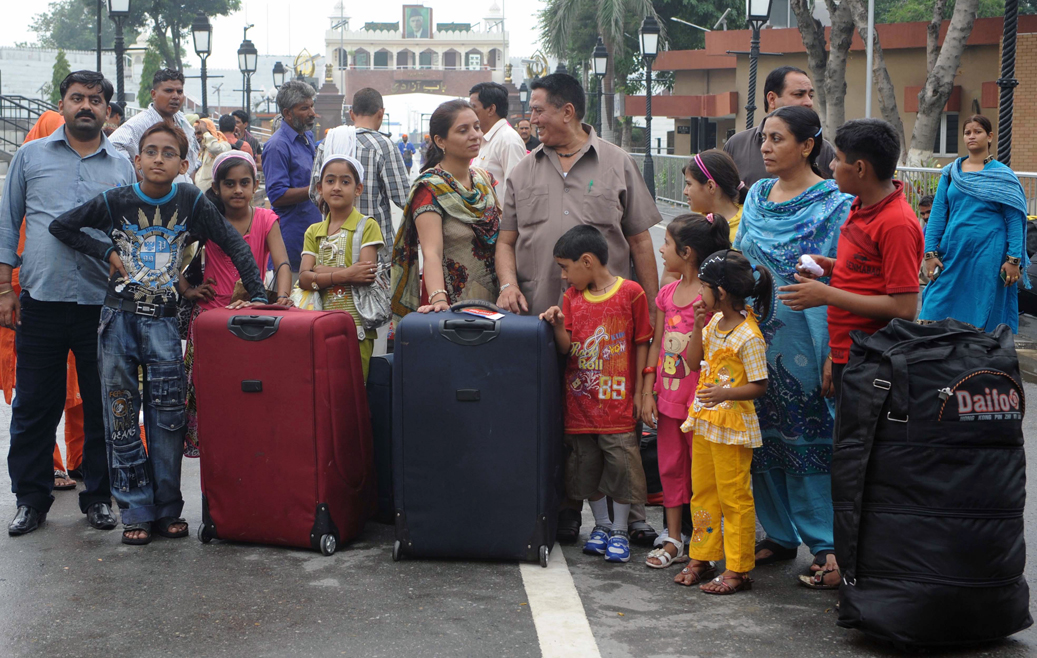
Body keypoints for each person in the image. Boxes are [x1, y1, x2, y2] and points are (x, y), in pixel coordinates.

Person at [49, 122, 268, 545]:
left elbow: (233, 241)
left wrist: (258, 295)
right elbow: (63, 227)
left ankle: (167, 508)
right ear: (137, 160)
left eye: (169, 153)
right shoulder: (116, 200)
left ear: (183, 165)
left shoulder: (190, 200)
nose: (158, 159)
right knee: (121, 416)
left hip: (164, 323)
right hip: (118, 321)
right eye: (150, 151)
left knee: (168, 418)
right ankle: (134, 510)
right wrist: (107, 251)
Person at [497, 72, 661, 545]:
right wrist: (508, 284)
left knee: (617, 421)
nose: (531, 118)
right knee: (558, 420)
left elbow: (640, 242)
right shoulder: (522, 170)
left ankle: (631, 517)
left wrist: (654, 311)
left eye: (538, 109)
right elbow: (506, 242)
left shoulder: (617, 163)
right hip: (544, 323)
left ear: (567, 111)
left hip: (610, 330)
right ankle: (566, 508)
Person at [777, 118, 923, 588]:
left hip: (875, 363)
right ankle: (850, 564)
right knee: (848, 464)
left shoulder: (897, 222)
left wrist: (826, 294)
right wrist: (831, 268)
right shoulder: (860, 208)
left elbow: (904, 307)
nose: (831, 166)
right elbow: (865, 275)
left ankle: (855, 570)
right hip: (847, 358)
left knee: (863, 470)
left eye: (838, 160)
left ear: (860, 168)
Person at [0, 71, 132, 536]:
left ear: (107, 111)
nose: (86, 106)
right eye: (77, 98)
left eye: (95, 100)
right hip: (41, 300)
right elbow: (7, 220)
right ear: (62, 104)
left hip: (102, 305)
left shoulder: (121, 165)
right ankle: (31, 500)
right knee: (35, 406)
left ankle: (98, 498)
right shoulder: (31, 155)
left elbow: (129, 232)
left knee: (101, 405)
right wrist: (4, 289)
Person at [733, 105, 853, 583]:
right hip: (754, 338)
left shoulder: (836, 204)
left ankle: (825, 543)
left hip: (809, 341)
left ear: (807, 146)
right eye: (764, 138)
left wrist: (835, 353)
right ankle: (778, 535)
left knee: (810, 439)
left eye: (777, 139)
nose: (765, 147)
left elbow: (845, 279)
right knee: (760, 437)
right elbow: (741, 261)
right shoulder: (757, 196)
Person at [539, 225, 653, 564]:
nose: (563, 276)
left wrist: (640, 392)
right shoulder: (571, 298)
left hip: (617, 405)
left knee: (621, 468)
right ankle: (601, 526)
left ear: (587, 261)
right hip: (581, 405)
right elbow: (567, 347)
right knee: (586, 469)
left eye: (565, 267)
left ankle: (619, 530)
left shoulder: (631, 293)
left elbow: (642, 343)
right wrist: (557, 323)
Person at [182, 151, 293, 458]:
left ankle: (246, 453)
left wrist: (283, 296)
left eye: (245, 183)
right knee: (210, 393)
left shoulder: (266, 219)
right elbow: (172, 252)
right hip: (209, 320)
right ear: (216, 188)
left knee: (246, 390)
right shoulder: (207, 219)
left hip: (252, 321)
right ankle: (214, 458)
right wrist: (188, 290)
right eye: (229, 184)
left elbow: (283, 263)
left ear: (255, 185)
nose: (238, 190)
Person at [0, 110, 88, 493]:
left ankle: (80, 460)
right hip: (32, 299)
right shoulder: (30, 172)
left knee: (78, 387)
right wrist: (7, 291)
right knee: (38, 395)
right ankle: (49, 470)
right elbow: (8, 231)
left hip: (78, 296)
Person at [641, 213, 731, 571]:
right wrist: (647, 392)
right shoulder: (667, 294)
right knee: (670, 468)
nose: (661, 250)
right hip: (668, 400)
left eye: (666, 243)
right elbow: (657, 344)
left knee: (703, 475)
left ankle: (705, 545)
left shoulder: (712, 298)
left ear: (687, 252)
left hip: (702, 403)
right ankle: (674, 539)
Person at [679, 250, 772, 594]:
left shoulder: (748, 336)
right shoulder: (713, 323)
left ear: (720, 292)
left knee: (734, 498)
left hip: (733, 430)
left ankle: (738, 569)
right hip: (706, 423)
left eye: (703, 286)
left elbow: (760, 386)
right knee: (703, 493)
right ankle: (702, 557)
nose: (699, 292)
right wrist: (697, 326)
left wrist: (725, 393)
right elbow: (693, 363)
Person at [919, 114, 1030, 332]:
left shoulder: (1002, 175)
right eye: (967, 132)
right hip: (954, 248)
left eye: (977, 132)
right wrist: (929, 254)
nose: (972, 136)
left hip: (989, 252)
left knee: (982, 306)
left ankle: (978, 351)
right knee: (935, 303)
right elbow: (938, 215)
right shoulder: (951, 173)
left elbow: (1014, 219)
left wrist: (1013, 259)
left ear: (989, 137)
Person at [390, 100, 500, 319]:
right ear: (440, 141)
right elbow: (432, 252)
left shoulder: (485, 181)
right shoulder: (430, 188)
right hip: (451, 307)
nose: (475, 135)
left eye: (477, 127)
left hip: (495, 303)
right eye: (463, 130)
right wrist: (439, 300)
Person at [300, 154, 383, 379]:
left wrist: (320, 272)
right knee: (325, 387)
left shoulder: (367, 226)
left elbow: (365, 274)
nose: (337, 187)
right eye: (330, 181)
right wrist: (347, 274)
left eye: (345, 181)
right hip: (319, 325)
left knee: (354, 388)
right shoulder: (313, 231)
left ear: (358, 189)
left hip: (356, 328)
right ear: (320, 188)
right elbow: (304, 279)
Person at [723, 66, 837, 188]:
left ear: (807, 146)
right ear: (772, 99)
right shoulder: (737, 145)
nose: (808, 102)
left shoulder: (824, 150)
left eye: (811, 95)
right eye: (799, 94)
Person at [265, 80, 322, 271]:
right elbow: (277, 195)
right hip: (291, 238)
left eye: (312, 106)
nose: (312, 113)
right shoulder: (277, 146)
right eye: (304, 108)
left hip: (312, 232)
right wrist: (316, 189)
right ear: (287, 113)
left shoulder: (307, 137)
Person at [349, 88, 411, 261]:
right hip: (376, 246)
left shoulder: (328, 145)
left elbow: (315, 195)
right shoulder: (384, 146)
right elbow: (404, 198)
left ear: (351, 114)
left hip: (334, 247)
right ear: (381, 113)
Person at [109, 68, 199, 184]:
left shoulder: (182, 121)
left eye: (179, 91)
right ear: (154, 94)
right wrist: (140, 179)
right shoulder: (140, 122)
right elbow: (112, 145)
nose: (175, 96)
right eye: (169, 91)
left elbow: (191, 159)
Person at [470, 82, 528, 202]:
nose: (469, 113)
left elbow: (516, 192)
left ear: (491, 109)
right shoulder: (485, 139)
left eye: (473, 107)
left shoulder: (509, 140)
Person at [683, 150, 746, 242]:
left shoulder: (746, 232)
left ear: (710, 186)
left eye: (689, 184)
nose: (685, 191)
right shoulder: (695, 224)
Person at [193, 118, 230, 193]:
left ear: (209, 131)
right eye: (195, 134)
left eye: (199, 133)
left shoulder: (223, 145)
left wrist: (205, 133)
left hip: (214, 195)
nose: (197, 137)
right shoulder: (202, 150)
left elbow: (214, 148)